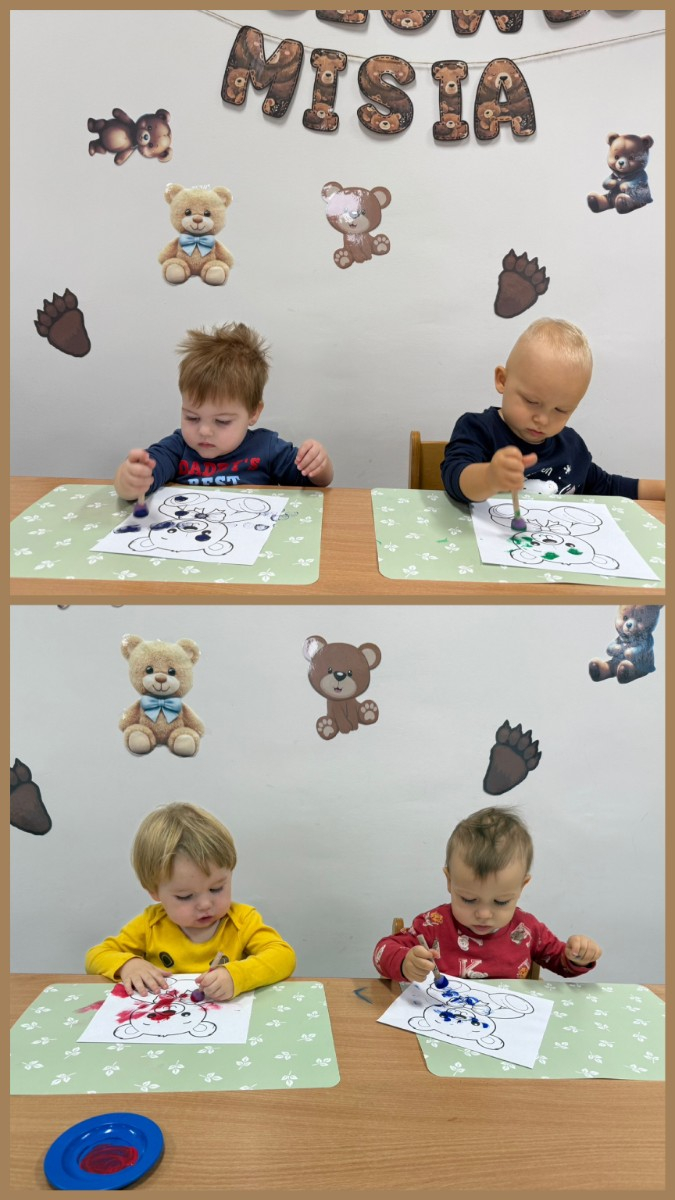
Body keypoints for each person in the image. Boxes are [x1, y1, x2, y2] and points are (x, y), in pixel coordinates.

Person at [441, 318, 664, 504]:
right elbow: (455, 478)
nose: (543, 419)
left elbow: (609, 486)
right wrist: (489, 477)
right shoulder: (478, 429)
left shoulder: (571, 447)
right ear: (503, 380)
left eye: (560, 410)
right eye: (531, 401)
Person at [86, 802, 296, 1000]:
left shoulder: (242, 921)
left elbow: (284, 957)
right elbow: (96, 956)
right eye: (185, 896)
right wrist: (128, 965)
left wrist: (238, 975)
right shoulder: (150, 925)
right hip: (164, 1018)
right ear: (154, 892)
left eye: (216, 888)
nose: (205, 904)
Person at [373, 806, 602, 982]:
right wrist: (405, 963)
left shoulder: (527, 930)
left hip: (506, 1024)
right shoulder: (433, 925)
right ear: (450, 881)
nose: (483, 914)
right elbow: (382, 951)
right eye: (468, 899)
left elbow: (562, 964)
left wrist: (577, 956)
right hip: (441, 1019)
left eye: (501, 902)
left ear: (522, 886)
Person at [114, 323, 333, 499]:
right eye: (192, 417)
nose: (204, 431)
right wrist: (130, 480)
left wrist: (318, 465)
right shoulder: (177, 448)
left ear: (253, 413)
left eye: (222, 421)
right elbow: (139, 485)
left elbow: (314, 484)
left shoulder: (267, 448)